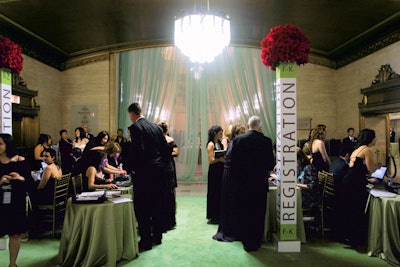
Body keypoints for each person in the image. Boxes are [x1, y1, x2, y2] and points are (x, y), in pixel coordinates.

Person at [128, 102, 170, 251]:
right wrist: (160, 166)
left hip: (144, 174)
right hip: (158, 172)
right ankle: (157, 237)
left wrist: (133, 169)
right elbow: (166, 150)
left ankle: (145, 241)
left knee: (142, 207)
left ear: (132, 114)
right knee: (157, 204)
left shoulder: (135, 128)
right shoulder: (157, 127)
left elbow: (136, 151)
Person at [229, 116, 274, 252]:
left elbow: (233, 164)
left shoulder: (237, 140)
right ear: (260, 127)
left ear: (248, 126)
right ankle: (256, 241)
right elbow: (270, 164)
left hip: (242, 184)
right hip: (259, 183)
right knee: (259, 213)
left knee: (244, 211)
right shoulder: (266, 141)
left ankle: (246, 241)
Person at [342, 128, 380, 248]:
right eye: (374, 137)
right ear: (370, 138)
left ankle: (351, 237)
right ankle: (357, 239)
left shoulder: (357, 149)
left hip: (349, 180)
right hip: (355, 183)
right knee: (358, 209)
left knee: (352, 209)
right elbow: (370, 169)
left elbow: (357, 168)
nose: (376, 139)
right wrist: (377, 167)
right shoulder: (367, 150)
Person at [0, 134, 30, 267]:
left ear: (8, 145)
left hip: (16, 202)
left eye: (0, 144)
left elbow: (30, 182)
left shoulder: (21, 161)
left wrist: (20, 178)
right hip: (1, 201)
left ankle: (13, 264)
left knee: (15, 234)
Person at [213, 124, 246, 242]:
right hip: (232, 175)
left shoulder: (236, 143)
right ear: (235, 134)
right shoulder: (234, 143)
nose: (243, 134)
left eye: (244, 132)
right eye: (241, 132)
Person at [159, 122, 179, 232]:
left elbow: (176, 152)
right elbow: (176, 152)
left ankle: (164, 220)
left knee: (163, 193)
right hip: (168, 167)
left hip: (163, 167)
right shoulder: (170, 140)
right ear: (167, 130)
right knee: (170, 192)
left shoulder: (157, 140)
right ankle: (170, 220)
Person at [329, 146, 350, 241]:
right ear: (347, 155)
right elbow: (348, 181)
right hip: (340, 195)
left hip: (331, 192)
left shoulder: (334, 162)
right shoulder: (345, 165)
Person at [206, 125, 225, 225]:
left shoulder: (219, 143)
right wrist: (220, 159)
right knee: (214, 191)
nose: (221, 135)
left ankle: (219, 214)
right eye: (220, 133)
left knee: (220, 192)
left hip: (220, 169)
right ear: (215, 133)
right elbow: (211, 160)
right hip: (214, 170)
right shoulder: (211, 144)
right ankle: (213, 215)